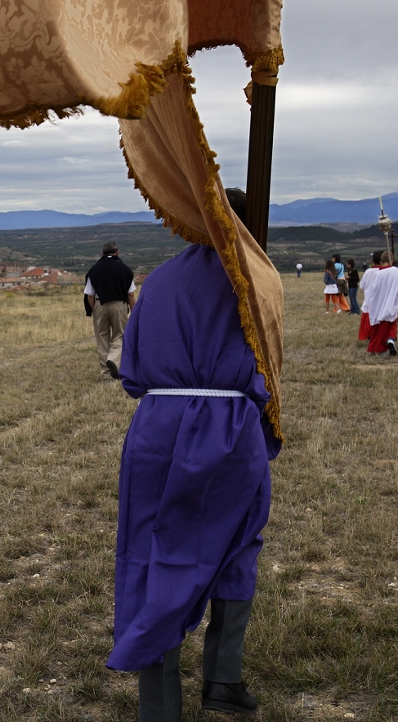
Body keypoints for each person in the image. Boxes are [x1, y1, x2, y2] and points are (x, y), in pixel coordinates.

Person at [110, 210, 282, 719]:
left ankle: (159, 706)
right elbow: (269, 364)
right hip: (227, 423)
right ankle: (222, 679)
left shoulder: (160, 277)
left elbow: (132, 367)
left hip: (156, 424)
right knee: (236, 543)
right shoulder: (255, 276)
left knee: (151, 552)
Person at [85, 241, 136, 379]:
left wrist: (95, 309)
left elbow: (89, 295)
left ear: (102, 253)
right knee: (120, 335)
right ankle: (113, 359)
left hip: (99, 304)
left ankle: (106, 374)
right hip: (119, 305)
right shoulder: (125, 270)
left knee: (102, 337)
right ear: (117, 252)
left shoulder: (94, 269)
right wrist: (134, 311)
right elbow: (130, 294)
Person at [358, 250, 398, 355]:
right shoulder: (396, 271)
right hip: (391, 302)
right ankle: (390, 339)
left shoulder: (378, 274)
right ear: (392, 260)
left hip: (378, 303)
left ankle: (381, 349)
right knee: (391, 324)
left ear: (381, 261)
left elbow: (374, 288)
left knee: (379, 327)